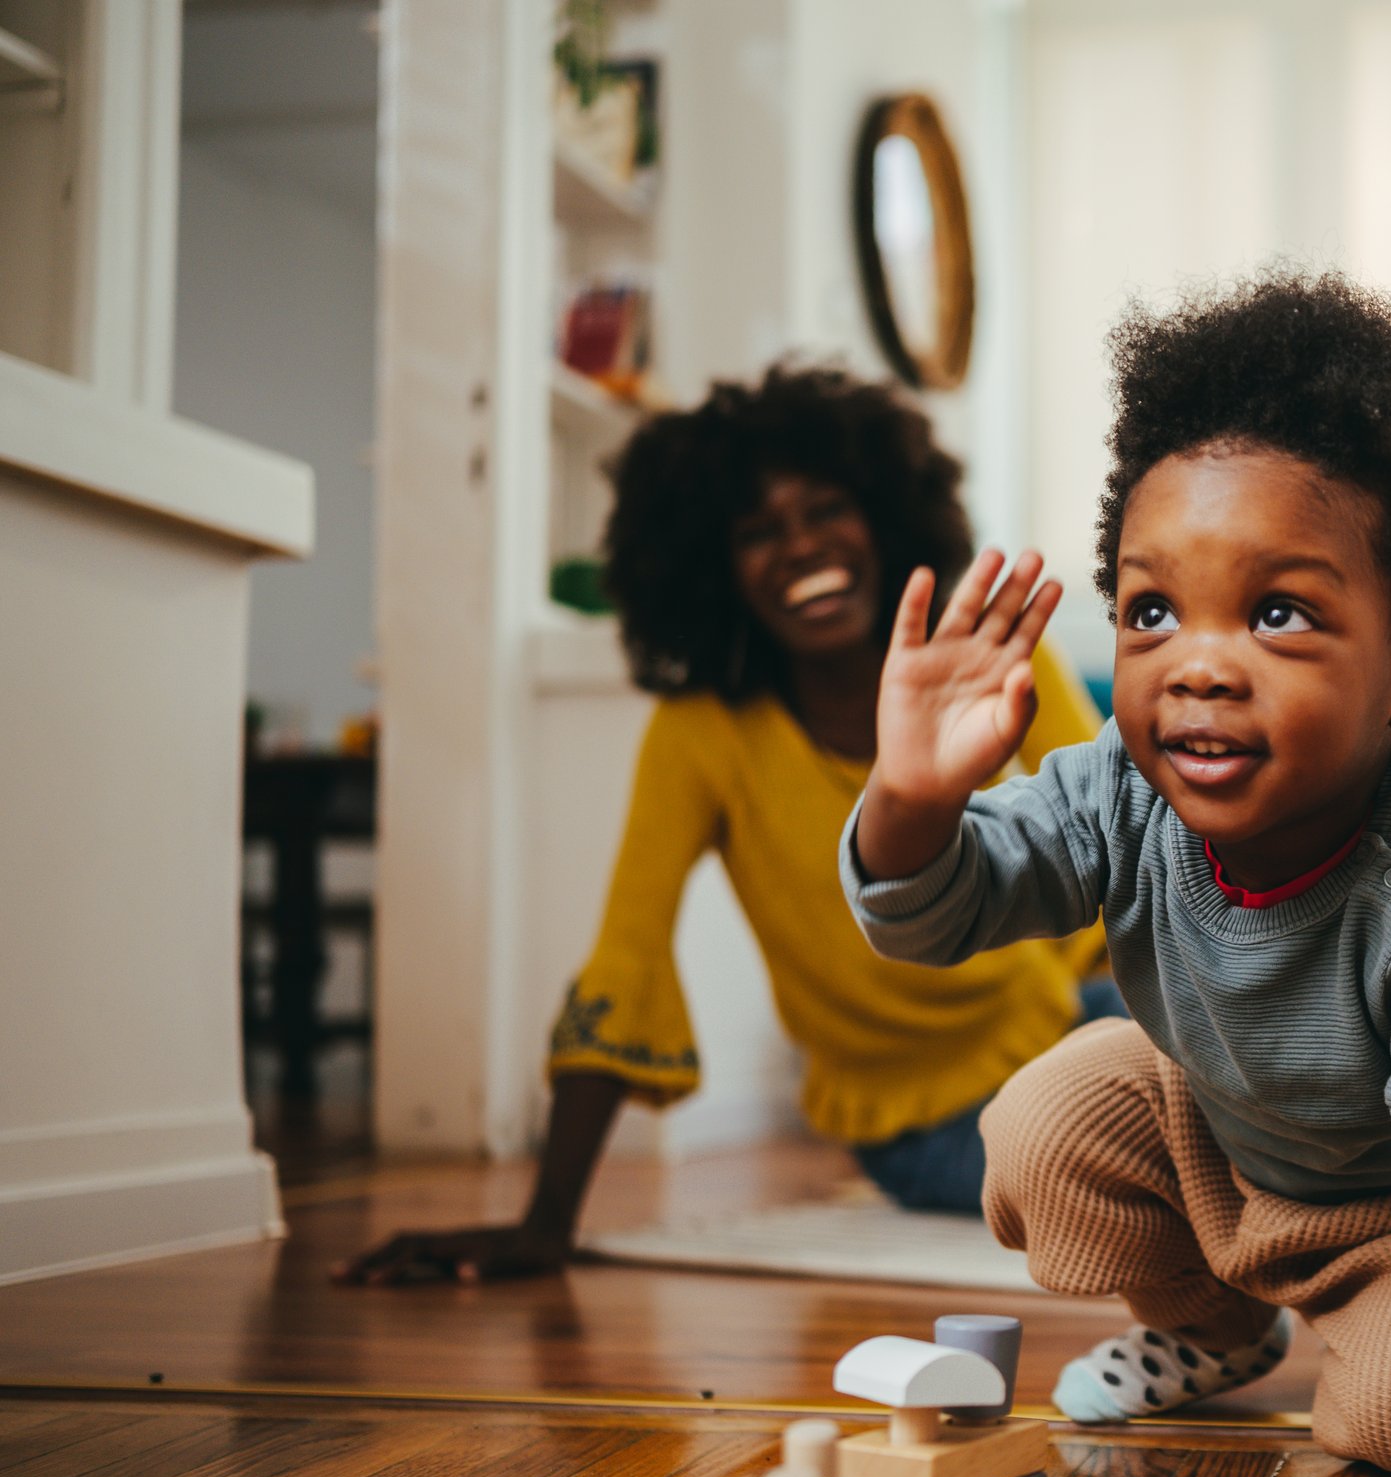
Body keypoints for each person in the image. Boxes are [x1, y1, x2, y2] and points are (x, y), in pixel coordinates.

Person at [842, 273, 1391, 1477]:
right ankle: (1215, 1330)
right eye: (1152, 612)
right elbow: (943, 909)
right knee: (1047, 1121)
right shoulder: (1125, 787)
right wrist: (914, 796)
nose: (1196, 663)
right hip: (1229, 1142)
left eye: (1278, 613)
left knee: (1386, 1426)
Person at [339, 366, 1111, 1285]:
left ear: (886, 516)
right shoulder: (702, 735)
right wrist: (545, 1220)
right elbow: (627, 955)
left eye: (826, 509)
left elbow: (1129, 838)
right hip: (919, 1127)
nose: (801, 547)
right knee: (1149, 1163)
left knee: (1269, 1085)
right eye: (757, 532)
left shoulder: (994, 658)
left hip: (1072, 1021)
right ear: (715, 569)